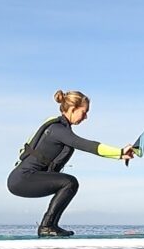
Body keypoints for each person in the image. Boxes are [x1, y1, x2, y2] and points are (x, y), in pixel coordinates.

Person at [8, 90, 135, 237]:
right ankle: (47, 226)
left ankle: (50, 226)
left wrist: (120, 155)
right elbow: (87, 145)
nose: (86, 117)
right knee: (69, 182)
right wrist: (120, 152)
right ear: (73, 109)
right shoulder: (57, 129)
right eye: (84, 112)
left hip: (22, 178)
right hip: (23, 179)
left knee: (68, 182)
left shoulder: (59, 127)